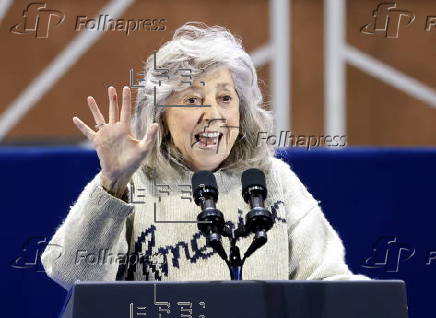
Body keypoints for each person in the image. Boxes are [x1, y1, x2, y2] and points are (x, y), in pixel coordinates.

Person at [41, 22, 370, 290]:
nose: (213, 114)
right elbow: (73, 274)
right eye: (193, 100)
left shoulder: (274, 179)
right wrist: (112, 183)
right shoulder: (130, 183)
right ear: (162, 117)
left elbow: (330, 283)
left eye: (225, 98)